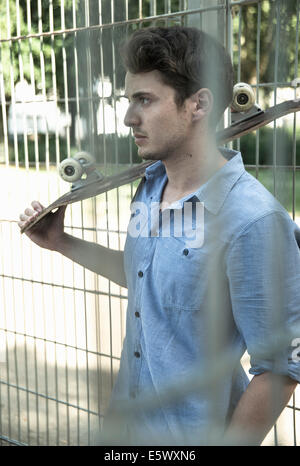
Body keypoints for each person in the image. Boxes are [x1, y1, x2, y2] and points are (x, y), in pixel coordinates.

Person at [18, 26, 300, 446]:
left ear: (198, 104)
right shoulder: (150, 187)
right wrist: (62, 242)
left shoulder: (254, 221)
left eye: (144, 100)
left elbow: (280, 368)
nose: (129, 117)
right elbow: (149, 277)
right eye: (129, 100)